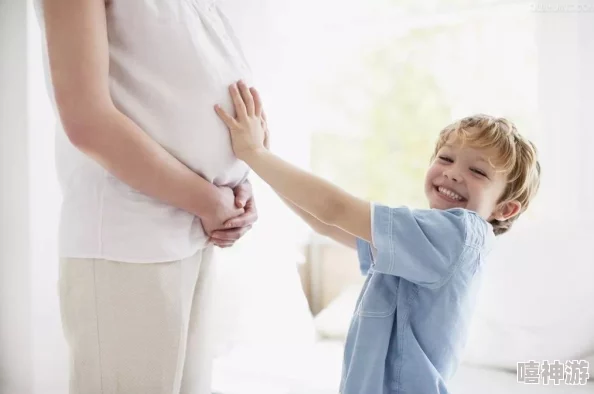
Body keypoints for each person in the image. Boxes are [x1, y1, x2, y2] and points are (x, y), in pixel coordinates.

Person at [215, 80, 541, 394]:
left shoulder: (459, 235)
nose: (454, 172)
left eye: (478, 171)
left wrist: (255, 153)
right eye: (446, 158)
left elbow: (334, 209)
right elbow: (327, 225)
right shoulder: (421, 239)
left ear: (505, 209)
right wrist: (266, 166)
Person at [34, 1, 257, 393]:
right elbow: (87, 120)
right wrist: (210, 201)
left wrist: (236, 182)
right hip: (129, 239)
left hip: (192, 230)